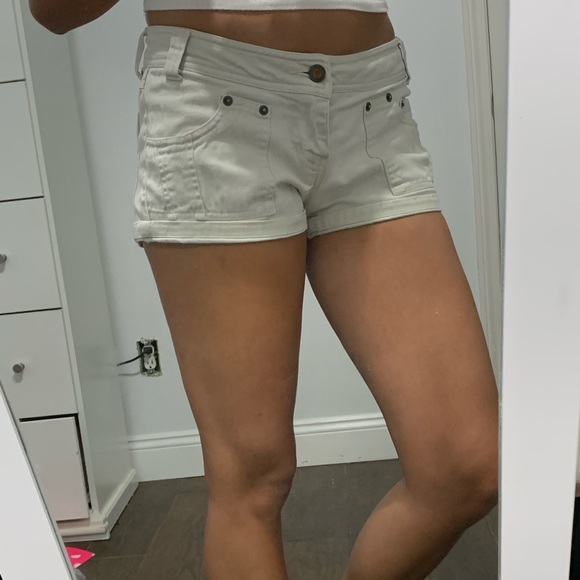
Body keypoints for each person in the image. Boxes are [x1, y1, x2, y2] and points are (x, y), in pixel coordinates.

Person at [31, 2, 499, 579]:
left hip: (370, 101)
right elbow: (52, 11)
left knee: (466, 464)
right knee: (251, 478)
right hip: (217, 104)